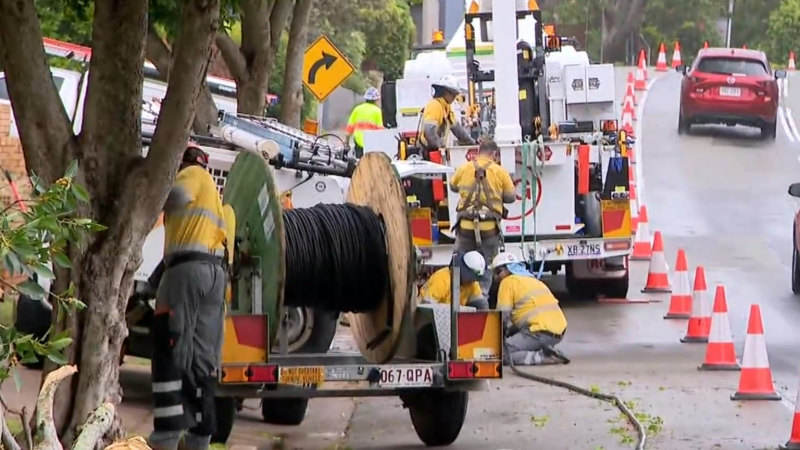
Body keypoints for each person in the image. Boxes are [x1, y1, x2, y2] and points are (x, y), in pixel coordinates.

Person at [148, 144, 229, 450]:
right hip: (214, 275)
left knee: (171, 347)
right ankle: (200, 439)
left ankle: (165, 440)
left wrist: (150, 192)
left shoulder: (192, 175)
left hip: (186, 274)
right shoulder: (214, 195)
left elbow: (174, 197)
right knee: (204, 358)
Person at [449, 139, 515, 296]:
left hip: (465, 227)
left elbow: (453, 186)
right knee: (485, 267)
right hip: (488, 229)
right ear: (494, 154)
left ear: (479, 152)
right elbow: (511, 197)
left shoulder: (464, 168)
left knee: (459, 263)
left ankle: (457, 298)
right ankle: (481, 301)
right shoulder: (500, 172)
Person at [491, 252, 569, 366]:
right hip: (557, 333)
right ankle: (543, 350)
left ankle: (543, 357)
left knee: (499, 354)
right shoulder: (532, 280)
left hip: (538, 333)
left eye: (497, 273)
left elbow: (502, 316)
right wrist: (510, 332)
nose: (496, 278)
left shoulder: (508, 282)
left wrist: (494, 337)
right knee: (516, 343)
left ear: (506, 269)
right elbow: (528, 315)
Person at [418, 75, 476, 152]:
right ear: (445, 92)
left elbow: (458, 130)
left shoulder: (446, 108)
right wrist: (439, 148)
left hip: (433, 151)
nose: (454, 97)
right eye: (453, 94)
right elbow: (429, 131)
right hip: (427, 152)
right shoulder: (435, 105)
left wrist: (473, 143)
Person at [418, 251, 489, 310]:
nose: (473, 281)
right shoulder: (442, 280)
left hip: (453, 317)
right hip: (427, 315)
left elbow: (481, 304)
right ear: (463, 272)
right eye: (471, 278)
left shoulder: (472, 283)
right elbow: (426, 307)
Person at [345, 87, 384, 158]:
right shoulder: (377, 111)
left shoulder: (357, 109)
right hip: (372, 143)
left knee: (359, 162)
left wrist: (346, 142)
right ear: (376, 100)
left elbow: (349, 127)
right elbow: (380, 130)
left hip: (358, 141)